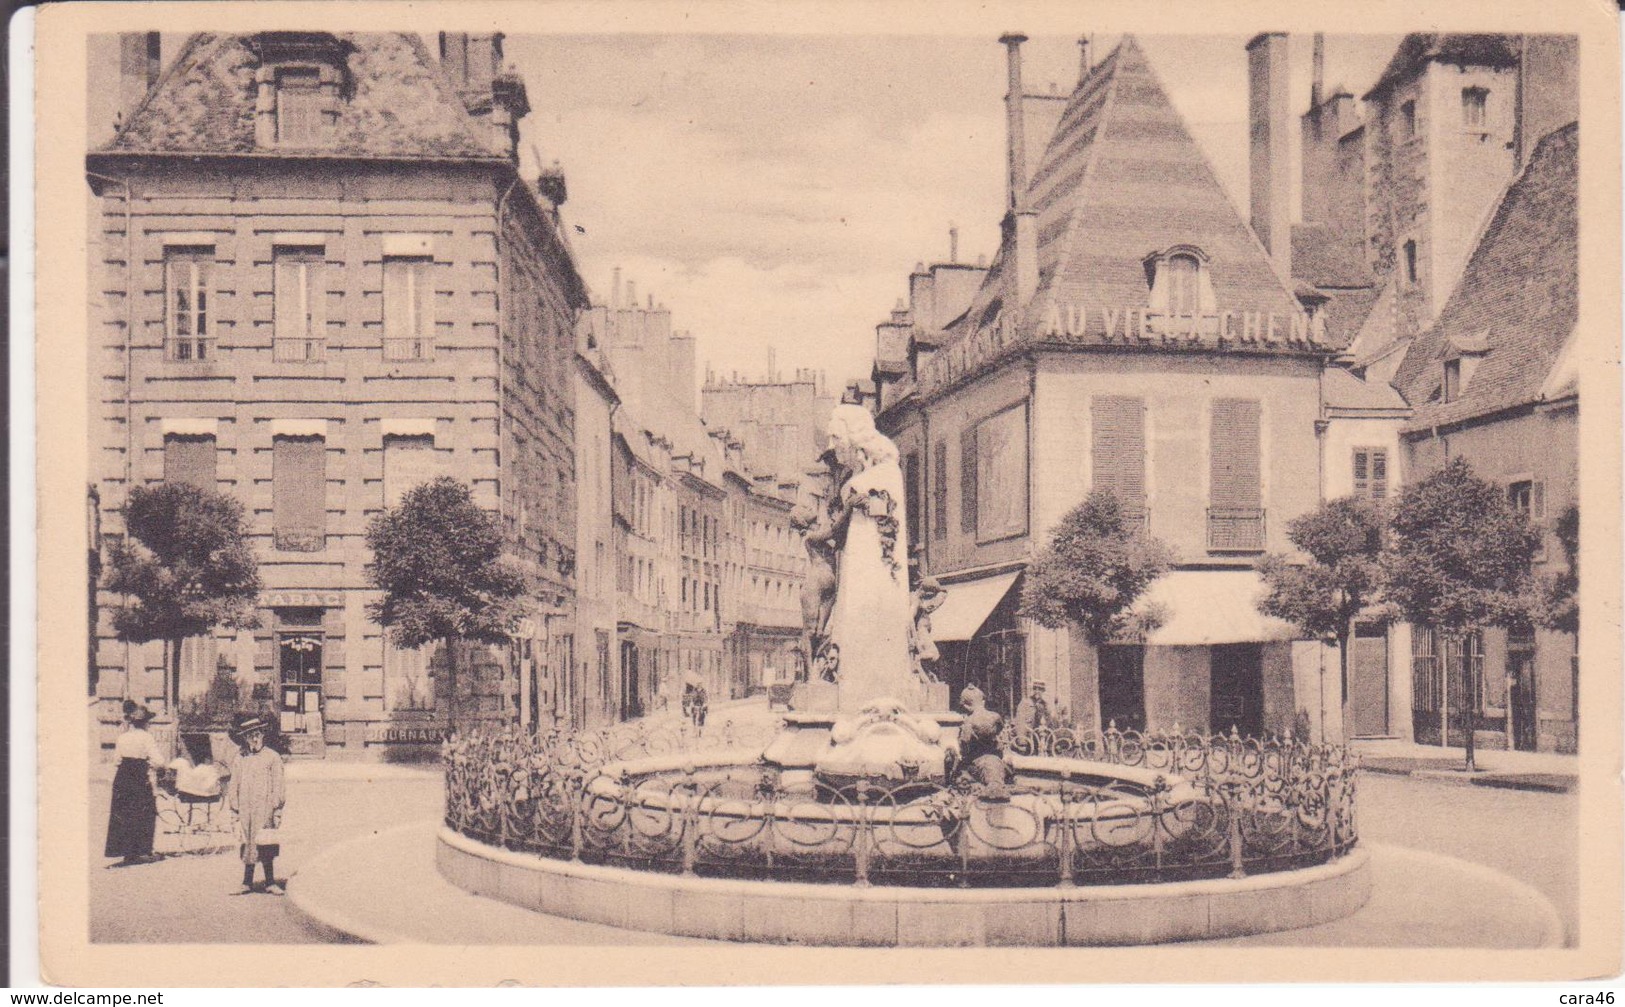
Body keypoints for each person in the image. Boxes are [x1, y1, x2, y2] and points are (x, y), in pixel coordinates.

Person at [822, 405, 914, 709]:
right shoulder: (860, 477)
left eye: (836, 437)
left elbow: (880, 511)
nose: (831, 446)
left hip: (876, 590)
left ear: (855, 438)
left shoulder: (883, 475)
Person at [226, 713, 286, 894]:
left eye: (257, 733)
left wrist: (277, 810)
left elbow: (279, 785)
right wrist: (234, 810)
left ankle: (270, 882)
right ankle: (246, 882)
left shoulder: (272, 757)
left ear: (262, 734)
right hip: (246, 808)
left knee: (266, 843)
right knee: (249, 844)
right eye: (250, 735)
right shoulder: (240, 759)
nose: (254, 737)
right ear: (244, 738)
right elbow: (234, 784)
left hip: (265, 808)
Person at [104, 701, 161, 867]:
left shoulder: (122, 737)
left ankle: (126, 853)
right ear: (144, 723)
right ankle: (140, 851)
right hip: (138, 777)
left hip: (122, 777)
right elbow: (158, 760)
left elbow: (116, 760)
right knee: (144, 811)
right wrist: (154, 765)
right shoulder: (147, 737)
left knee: (123, 814)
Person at [955, 686, 1011, 799]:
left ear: (966, 706)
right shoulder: (995, 717)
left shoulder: (968, 722)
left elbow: (964, 747)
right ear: (983, 701)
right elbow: (1000, 729)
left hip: (978, 761)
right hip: (995, 759)